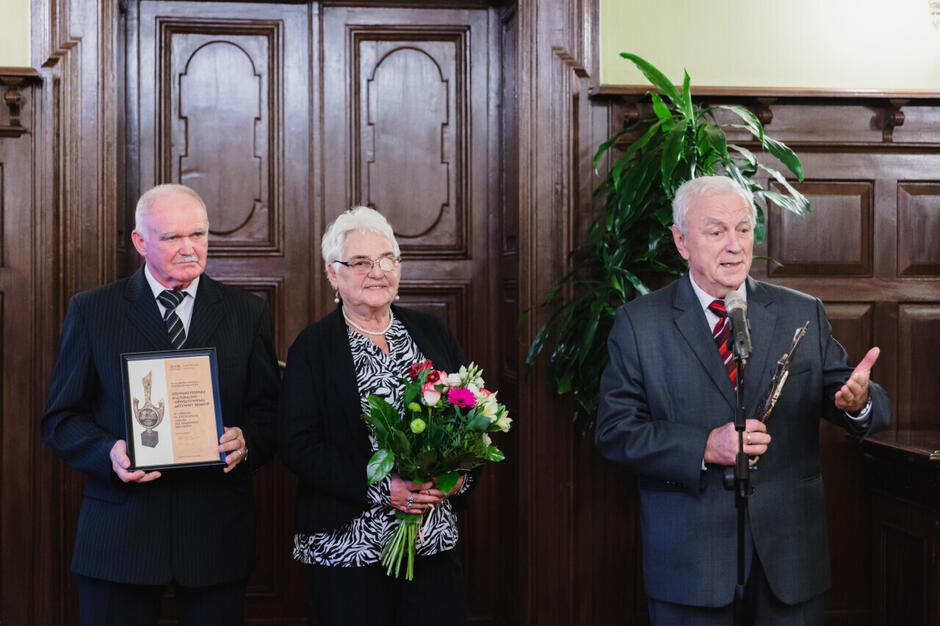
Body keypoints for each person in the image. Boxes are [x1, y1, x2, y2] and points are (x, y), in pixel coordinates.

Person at [595, 175, 890, 625]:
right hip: (690, 568)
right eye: (716, 232)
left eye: (744, 229)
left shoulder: (800, 311)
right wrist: (705, 447)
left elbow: (850, 394)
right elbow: (615, 432)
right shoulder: (640, 325)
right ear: (682, 241)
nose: (735, 245)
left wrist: (857, 401)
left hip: (789, 563)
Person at [41, 184, 280, 625]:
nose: (189, 248)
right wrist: (108, 453)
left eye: (199, 235)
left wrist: (247, 442)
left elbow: (269, 413)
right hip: (119, 538)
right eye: (172, 237)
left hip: (215, 538)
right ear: (140, 242)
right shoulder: (93, 311)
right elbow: (61, 419)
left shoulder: (248, 313)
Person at [278, 206, 472, 626]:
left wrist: (458, 475)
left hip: (430, 539)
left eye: (388, 259)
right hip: (348, 543)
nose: (378, 271)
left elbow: (469, 415)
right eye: (361, 262)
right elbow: (297, 445)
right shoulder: (312, 348)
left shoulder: (432, 332)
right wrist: (383, 486)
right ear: (334, 274)